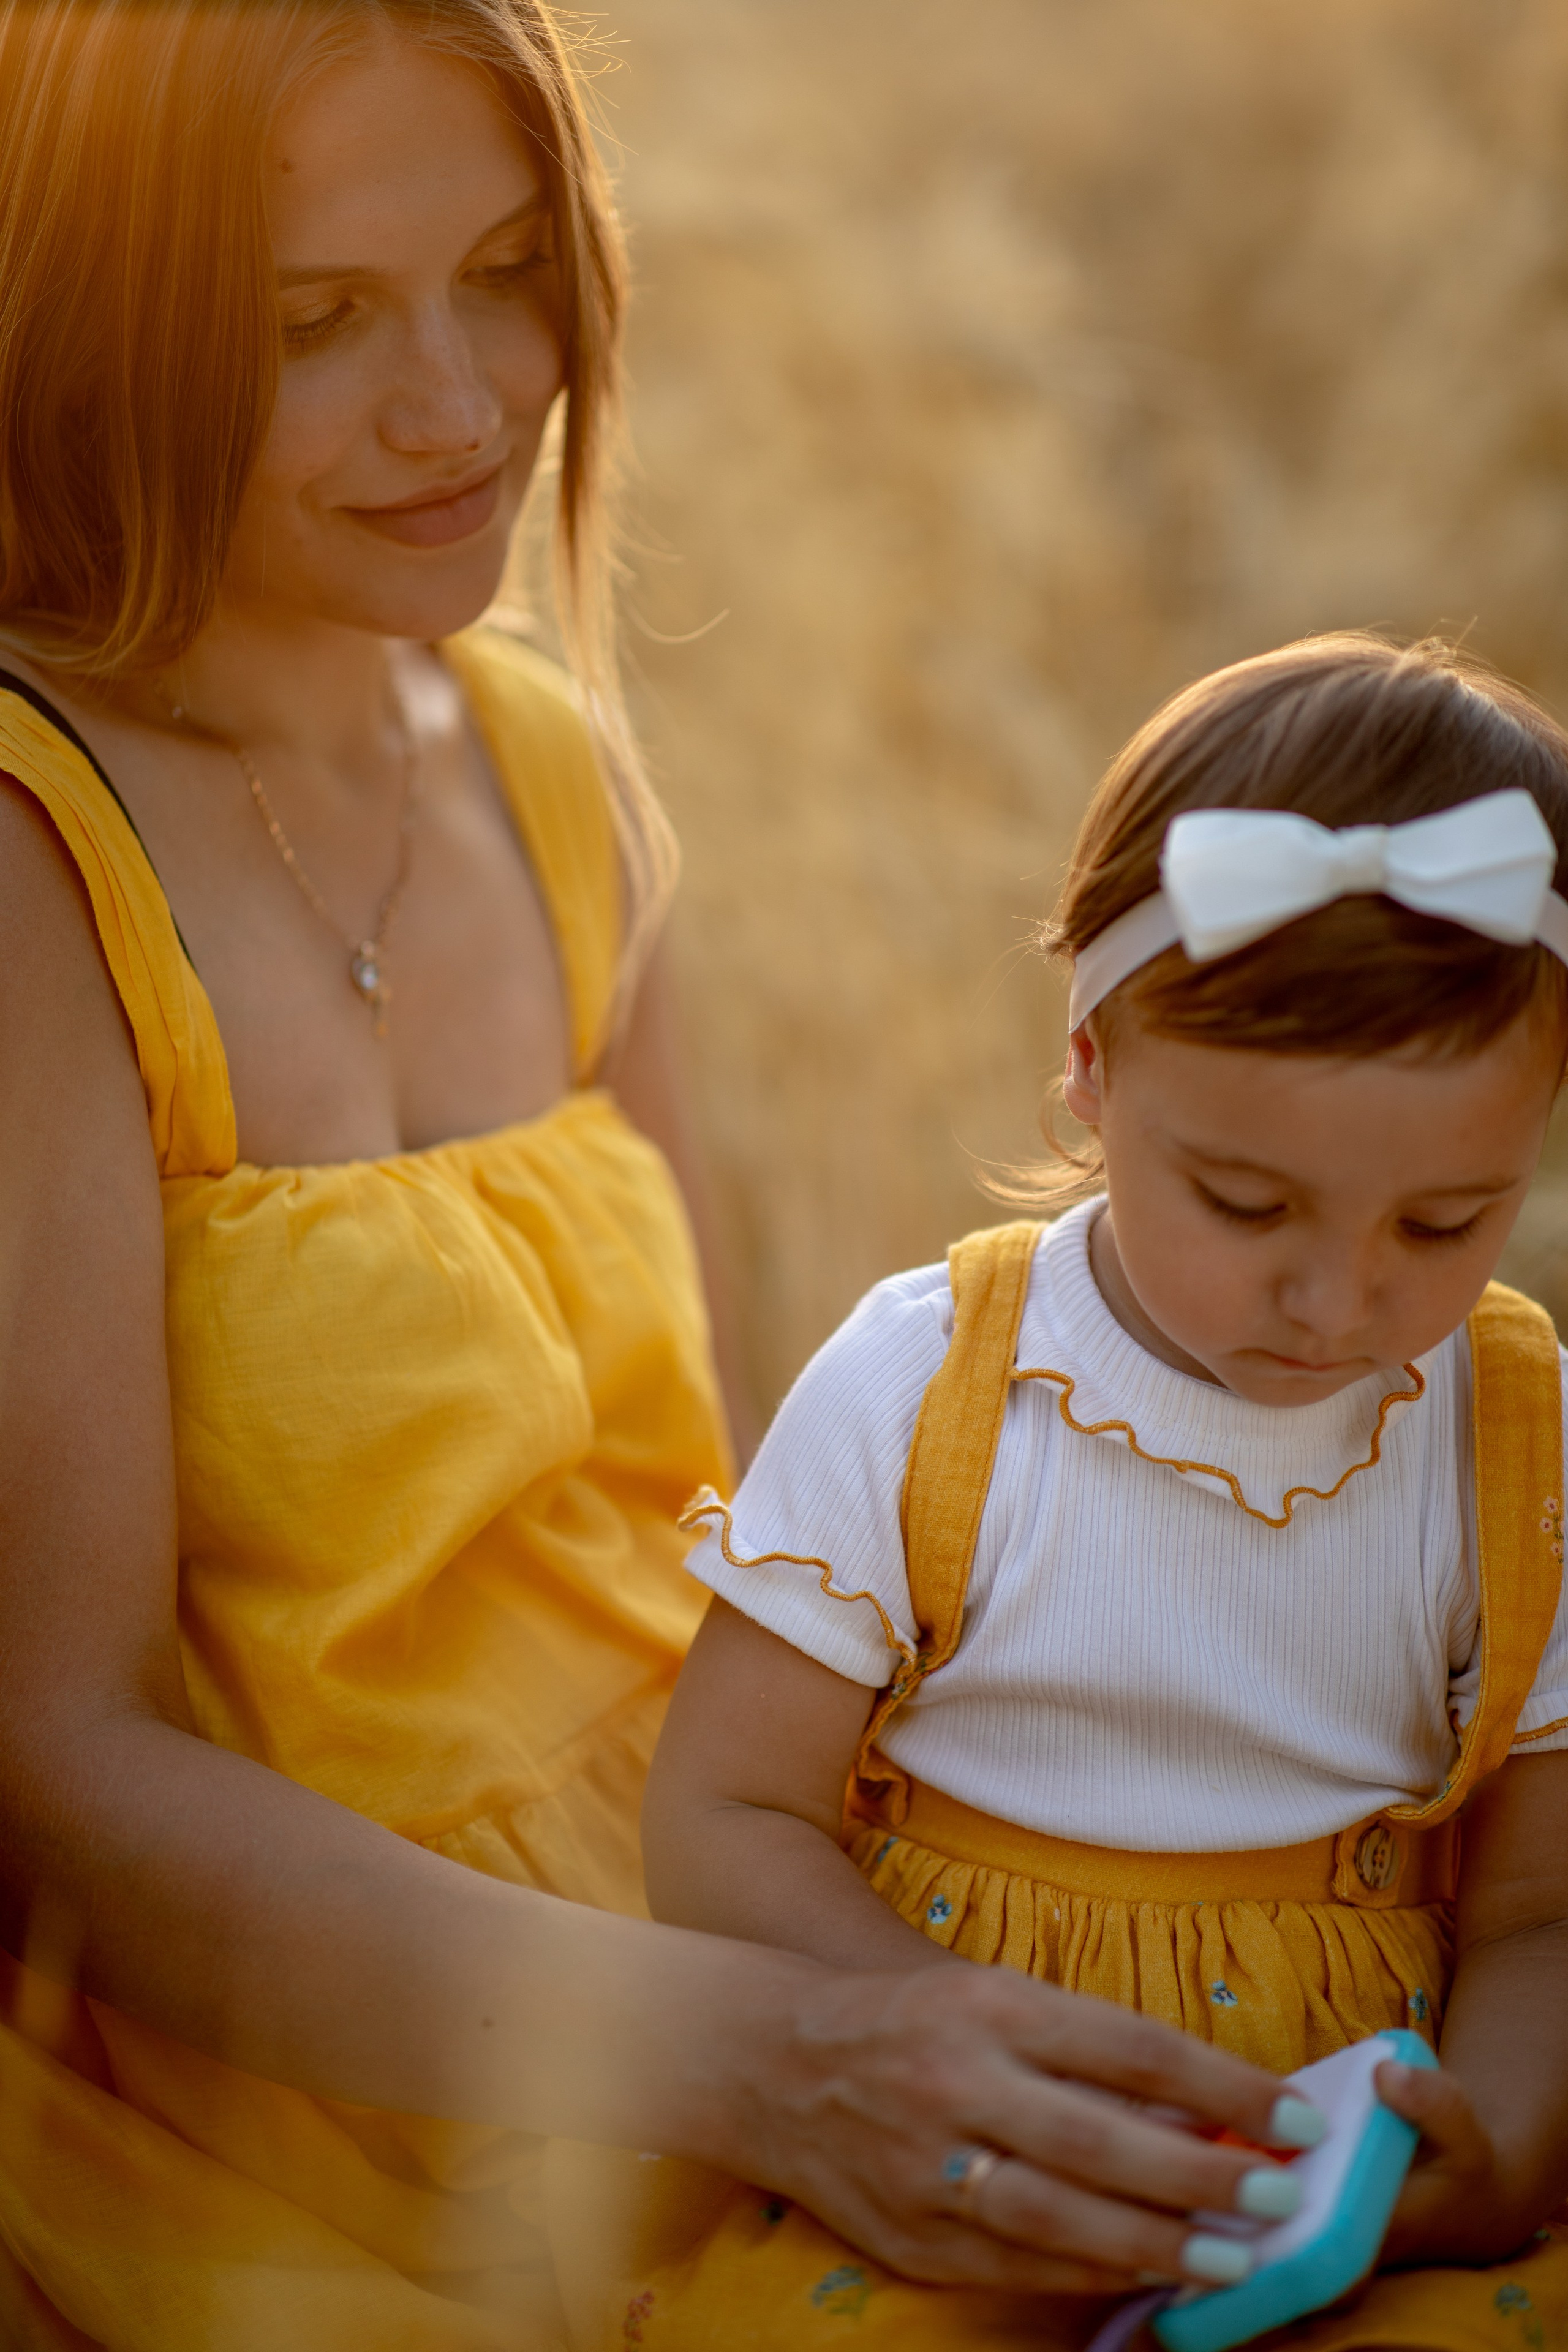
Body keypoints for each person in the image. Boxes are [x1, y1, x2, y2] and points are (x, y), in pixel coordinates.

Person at [0, 4, 1308, 2345]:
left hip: (731, 1913)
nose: (463, 402)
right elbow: (61, 1773)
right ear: (91, 335)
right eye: (314, 325)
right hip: (315, 2088)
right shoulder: (38, 862)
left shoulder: (549, 774)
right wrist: (788, 2066)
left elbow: (731, 1538)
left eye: (506, 269)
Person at [627, 635, 1568, 2349]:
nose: (1339, 1301)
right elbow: (723, 1817)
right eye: (1246, 1203)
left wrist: (1496, 2153)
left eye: (1444, 1224)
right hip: (964, 2132)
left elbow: (1538, 1905)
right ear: (1089, 1066)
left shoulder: (1518, 1437)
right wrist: (944, 2033)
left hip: (1345, 2169)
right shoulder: (933, 1385)